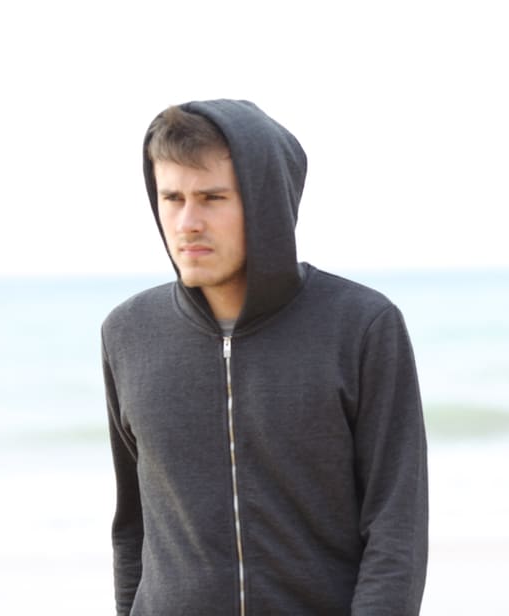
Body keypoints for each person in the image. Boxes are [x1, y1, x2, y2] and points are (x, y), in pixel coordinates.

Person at [102, 99, 428, 615]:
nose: (187, 222)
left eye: (212, 198)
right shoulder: (128, 333)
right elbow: (132, 528)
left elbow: (396, 527)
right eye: (172, 198)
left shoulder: (362, 326)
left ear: (265, 203)